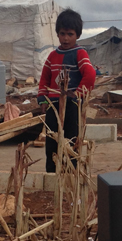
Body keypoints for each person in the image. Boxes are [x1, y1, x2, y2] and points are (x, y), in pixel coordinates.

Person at [37, 9, 96, 173]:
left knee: (71, 142)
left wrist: (78, 95)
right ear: (57, 34)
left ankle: (71, 174)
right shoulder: (52, 56)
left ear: (77, 35)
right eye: (62, 34)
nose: (65, 38)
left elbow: (90, 74)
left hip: (72, 106)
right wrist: (42, 98)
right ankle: (51, 174)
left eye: (70, 34)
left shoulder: (80, 54)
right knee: (51, 142)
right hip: (53, 105)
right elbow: (45, 78)